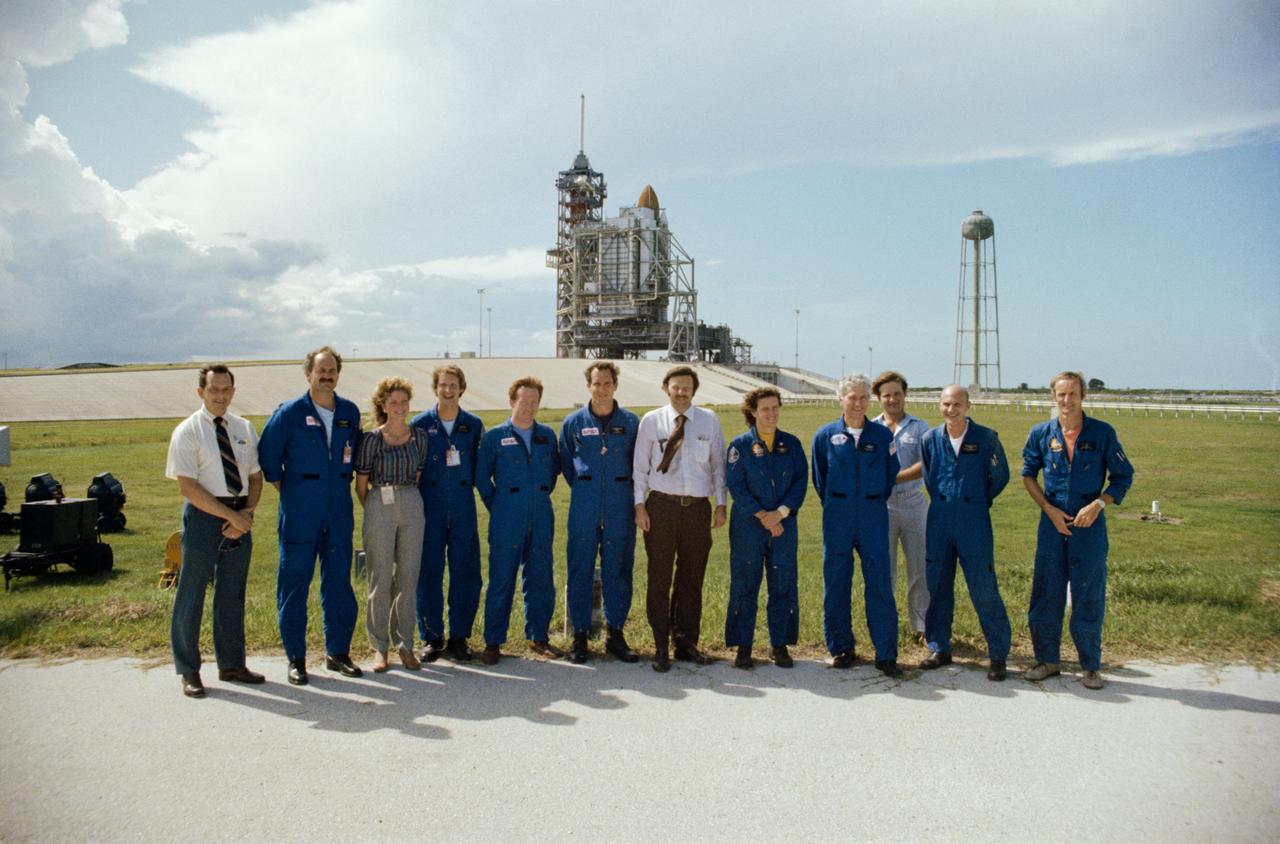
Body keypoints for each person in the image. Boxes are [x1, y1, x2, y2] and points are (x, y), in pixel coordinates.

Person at [1022, 371, 1134, 690]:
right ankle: (1047, 660)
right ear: (1053, 398)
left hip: (1089, 526)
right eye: (1061, 395)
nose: (1067, 401)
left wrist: (1098, 504)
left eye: (1072, 394)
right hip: (1052, 523)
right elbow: (1028, 474)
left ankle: (1091, 666)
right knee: (1046, 592)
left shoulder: (1102, 433)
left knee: (1088, 593)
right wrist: (1049, 510)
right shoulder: (1041, 433)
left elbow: (1123, 476)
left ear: (1083, 395)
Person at [258, 346, 363, 685]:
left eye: (332, 370)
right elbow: (269, 460)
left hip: (338, 509)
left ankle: (337, 652)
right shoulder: (289, 413)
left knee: (338, 582)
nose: (327, 376)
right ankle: (296, 659)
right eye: (321, 370)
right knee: (294, 582)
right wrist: (293, 491)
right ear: (308, 374)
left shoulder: (349, 412)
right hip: (301, 509)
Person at [165, 364, 265, 698]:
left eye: (226, 390)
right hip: (205, 515)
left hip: (239, 515)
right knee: (191, 593)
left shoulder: (245, 428)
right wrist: (229, 517)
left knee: (231, 593)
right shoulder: (188, 431)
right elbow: (187, 487)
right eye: (213, 390)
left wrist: (246, 513)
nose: (220, 396)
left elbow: (254, 477)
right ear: (201, 392)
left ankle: (232, 664)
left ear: (233, 392)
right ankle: (189, 670)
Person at [633, 365, 728, 672]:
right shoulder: (651, 421)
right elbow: (639, 469)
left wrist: (720, 504)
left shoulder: (708, 420)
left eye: (687, 387)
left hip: (697, 509)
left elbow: (718, 466)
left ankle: (686, 643)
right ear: (666, 388)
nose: (681, 392)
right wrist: (639, 506)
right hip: (661, 507)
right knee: (659, 578)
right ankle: (661, 644)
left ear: (694, 390)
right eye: (676, 387)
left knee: (691, 579)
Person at [917, 385, 1013, 681]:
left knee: (983, 588)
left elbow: (1000, 477)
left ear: (968, 405)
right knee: (938, 586)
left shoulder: (986, 438)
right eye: (946, 404)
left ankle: (997, 654)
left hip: (974, 519)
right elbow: (930, 478)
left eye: (957, 404)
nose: (951, 409)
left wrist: (976, 500)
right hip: (940, 518)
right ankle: (939, 647)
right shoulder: (930, 439)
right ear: (939, 406)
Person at [811, 373, 902, 677]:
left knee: (879, 582)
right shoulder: (826, 435)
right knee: (837, 581)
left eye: (864, 397)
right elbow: (820, 478)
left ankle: (886, 652)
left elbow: (891, 473)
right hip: (837, 513)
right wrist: (840, 501)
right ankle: (841, 648)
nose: (859, 403)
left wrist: (869, 498)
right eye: (853, 397)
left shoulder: (882, 436)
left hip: (873, 513)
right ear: (841, 400)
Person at [475, 376, 562, 665]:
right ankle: (493, 641)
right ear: (512, 401)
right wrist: (498, 505)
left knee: (540, 577)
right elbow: (481, 477)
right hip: (506, 515)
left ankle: (538, 637)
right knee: (501, 578)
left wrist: (536, 495)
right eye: (523, 402)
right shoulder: (494, 437)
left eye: (534, 402)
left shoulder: (547, 435)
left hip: (540, 513)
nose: (528, 408)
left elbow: (552, 473)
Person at [559, 361, 641, 664]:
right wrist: (587, 487)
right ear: (588, 386)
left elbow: (639, 464)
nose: (602, 389)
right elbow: (567, 463)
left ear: (615, 385)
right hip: (585, 504)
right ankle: (580, 636)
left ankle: (615, 634)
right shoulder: (573, 423)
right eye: (596, 383)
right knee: (580, 567)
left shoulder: (632, 423)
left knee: (618, 569)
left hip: (620, 504)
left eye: (607, 383)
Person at [724, 387, 808, 669]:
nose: (771, 414)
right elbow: (736, 486)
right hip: (749, 524)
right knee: (745, 583)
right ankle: (743, 645)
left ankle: (779, 644)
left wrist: (780, 514)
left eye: (775, 408)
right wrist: (763, 516)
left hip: (784, 524)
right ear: (753, 412)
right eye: (765, 409)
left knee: (783, 583)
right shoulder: (740, 445)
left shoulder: (791, 444)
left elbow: (799, 483)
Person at [410, 365, 484, 663]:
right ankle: (431, 636)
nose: (448, 390)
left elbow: (482, 467)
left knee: (465, 570)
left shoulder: (474, 425)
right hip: (430, 505)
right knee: (428, 571)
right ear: (435, 388)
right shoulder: (420, 423)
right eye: (443, 385)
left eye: (453, 385)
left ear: (462, 387)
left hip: (463, 506)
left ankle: (459, 636)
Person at [355, 377, 429, 673]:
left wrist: (404, 499)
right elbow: (361, 484)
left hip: (411, 500)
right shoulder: (372, 439)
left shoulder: (420, 437)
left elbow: (419, 473)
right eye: (393, 402)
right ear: (383, 406)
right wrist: (375, 510)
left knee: (408, 577)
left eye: (403, 402)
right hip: (378, 503)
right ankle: (379, 647)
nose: (399, 408)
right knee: (380, 577)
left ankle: (406, 645)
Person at [872, 371, 931, 644]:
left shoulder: (920, 428)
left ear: (905, 395)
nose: (892, 399)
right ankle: (886, 626)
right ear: (879, 399)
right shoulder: (871, 428)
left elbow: (926, 463)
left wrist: (896, 477)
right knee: (886, 569)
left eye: (897, 393)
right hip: (881, 506)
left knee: (918, 567)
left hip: (913, 503)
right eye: (886, 395)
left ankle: (921, 626)